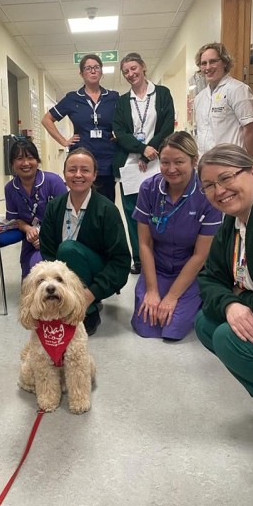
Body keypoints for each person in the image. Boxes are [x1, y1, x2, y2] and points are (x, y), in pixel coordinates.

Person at [195, 144, 253, 449]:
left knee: (227, 338)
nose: (219, 191)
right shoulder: (234, 222)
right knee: (206, 324)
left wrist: (235, 299)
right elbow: (208, 278)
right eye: (209, 185)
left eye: (226, 178)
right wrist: (231, 302)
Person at [132, 131, 222, 340]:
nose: (171, 169)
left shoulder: (207, 194)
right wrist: (152, 291)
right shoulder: (149, 189)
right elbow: (144, 244)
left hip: (190, 268)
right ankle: (156, 290)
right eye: (165, 162)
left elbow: (200, 255)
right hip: (157, 266)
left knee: (173, 328)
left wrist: (172, 296)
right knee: (147, 324)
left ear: (194, 161)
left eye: (179, 162)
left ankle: (197, 298)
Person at [39, 148, 131, 336]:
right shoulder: (54, 206)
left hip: (96, 274)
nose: (78, 175)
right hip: (62, 276)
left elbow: (120, 262)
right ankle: (63, 303)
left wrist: (91, 294)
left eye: (85, 170)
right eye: (72, 169)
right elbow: (47, 251)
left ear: (95, 175)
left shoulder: (107, 210)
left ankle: (87, 310)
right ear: (64, 174)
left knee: (68, 249)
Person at [113, 52, 175, 275]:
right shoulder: (122, 101)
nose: (131, 74)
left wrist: (150, 151)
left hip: (157, 163)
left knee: (160, 210)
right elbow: (119, 131)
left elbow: (168, 125)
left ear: (143, 67)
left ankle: (161, 256)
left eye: (133, 68)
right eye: (126, 71)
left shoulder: (162, 94)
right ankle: (139, 258)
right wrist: (141, 149)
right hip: (130, 165)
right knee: (133, 215)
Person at [41, 54, 119, 202]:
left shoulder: (113, 97)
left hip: (106, 159)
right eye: (88, 68)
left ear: (101, 72)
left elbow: (126, 120)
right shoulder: (72, 98)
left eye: (96, 67)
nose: (93, 71)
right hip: (81, 159)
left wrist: (120, 136)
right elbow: (47, 119)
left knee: (107, 203)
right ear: (81, 73)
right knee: (82, 202)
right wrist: (64, 141)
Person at [5, 138, 67, 279]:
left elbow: (66, 216)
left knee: (49, 271)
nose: (25, 163)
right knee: (29, 279)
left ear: (37, 161)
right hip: (31, 239)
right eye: (19, 158)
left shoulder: (53, 181)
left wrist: (44, 236)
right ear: (12, 163)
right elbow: (16, 219)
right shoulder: (10, 188)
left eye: (30, 158)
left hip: (57, 237)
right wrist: (29, 229)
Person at [193, 42, 253, 158]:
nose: (208, 67)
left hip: (231, 163)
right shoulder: (199, 98)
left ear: (224, 62)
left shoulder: (238, 89)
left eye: (213, 61)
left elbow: (250, 129)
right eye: (203, 63)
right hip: (205, 164)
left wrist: (251, 161)